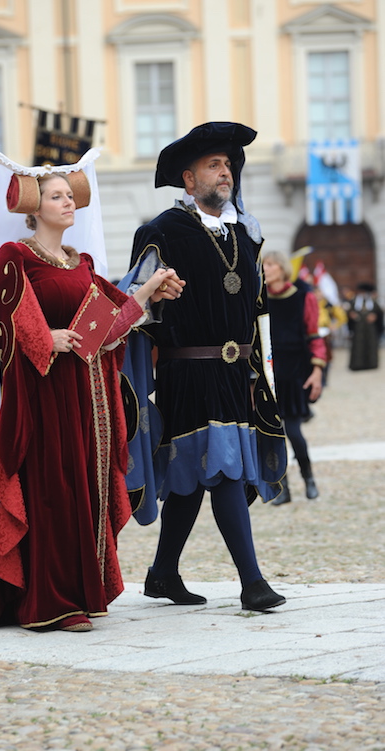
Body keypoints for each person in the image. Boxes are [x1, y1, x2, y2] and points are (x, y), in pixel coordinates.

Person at [0, 147, 182, 631]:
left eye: (70, 195)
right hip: (43, 396)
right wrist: (50, 339)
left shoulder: (80, 262)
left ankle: (78, 593)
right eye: (57, 196)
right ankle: (50, 602)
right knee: (52, 493)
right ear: (33, 206)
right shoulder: (15, 257)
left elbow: (105, 325)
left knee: (80, 490)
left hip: (84, 397)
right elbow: (16, 320)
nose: (68, 203)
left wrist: (148, 291)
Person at [122, 122, 287, 613]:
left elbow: (256, 307)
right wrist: (158, 295)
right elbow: (133, 302)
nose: (226, 172)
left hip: (237, 373)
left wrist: (262, 371)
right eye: (214, 165)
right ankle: (253, 583)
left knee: (193, 478)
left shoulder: (244, 232)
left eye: (229, 165)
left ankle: (162, 572)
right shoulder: (162, 232)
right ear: (188, 180)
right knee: (225, 469)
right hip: (188, 372)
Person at [262, 251, 326, 505]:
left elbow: (314, 335)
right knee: (273, 434)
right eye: (263, 264)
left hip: (296, 372)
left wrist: (317, 371)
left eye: (269, 264)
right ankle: (283, 488)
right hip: (270, 374)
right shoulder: (259, 299)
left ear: (281, 268)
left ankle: (309, 478)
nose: (265, 268)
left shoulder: (303, 297)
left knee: (294, 431)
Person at [347, 282, 384, 371]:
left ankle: (371, 364)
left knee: (370, 346)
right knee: (358, 347)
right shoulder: (355, 302)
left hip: (370, 330)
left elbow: (379, 313)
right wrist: (351, 315)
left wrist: (375, 316)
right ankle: (357, 365)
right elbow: (349, 312)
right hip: (358, 330)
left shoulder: (373, 302)